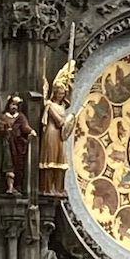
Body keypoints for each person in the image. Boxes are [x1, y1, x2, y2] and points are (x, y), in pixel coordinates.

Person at [39, 61, 76, 196]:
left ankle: (59, 188)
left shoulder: (63, 105)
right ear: (54, 93)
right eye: (59, 93)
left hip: (59, 136)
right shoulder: (49, 105)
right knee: (50, 161)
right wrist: (69, 121)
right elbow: (60, 122)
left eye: (62, 94)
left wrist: (70, 85)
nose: (61, 95)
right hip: (52, 134)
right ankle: (48, 188)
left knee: (61, 162)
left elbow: (69, 101)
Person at [0, 95, 36, 195]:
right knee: (8, 163)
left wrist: (31, 131)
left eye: (16, 105)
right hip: (7, 144)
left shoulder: (21, 117)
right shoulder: (4, 116)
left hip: (18, 144)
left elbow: (25, 127)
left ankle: (17, 186)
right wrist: (4, 129)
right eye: (12, 104)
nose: (14, 107)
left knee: (18, 164)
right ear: (8, 105)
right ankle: (10, 187)